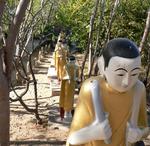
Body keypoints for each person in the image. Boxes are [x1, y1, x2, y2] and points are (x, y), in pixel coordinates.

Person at [66, 38, 149, 146]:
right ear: (102, 66)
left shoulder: (138, 89)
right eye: (120, 74)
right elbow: (73, 139)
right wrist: (91, 133)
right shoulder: (90, 88)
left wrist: (139, 133)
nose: (127, 82)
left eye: (134, 74)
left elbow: (145, 129)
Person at [59, 55, 79, 122]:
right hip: (66, 84)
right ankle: (65, 111)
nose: (72, 63)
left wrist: (75, 79)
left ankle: (69, 111)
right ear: (68, 61)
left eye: (73, 62)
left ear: (75, 61)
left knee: (71, 98)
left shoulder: (76, 67)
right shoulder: (66, 66)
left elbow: (77, 77)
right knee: (66, 97)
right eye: (70, 62)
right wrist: (68, 78)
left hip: (72, 85)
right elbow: (63, 75)